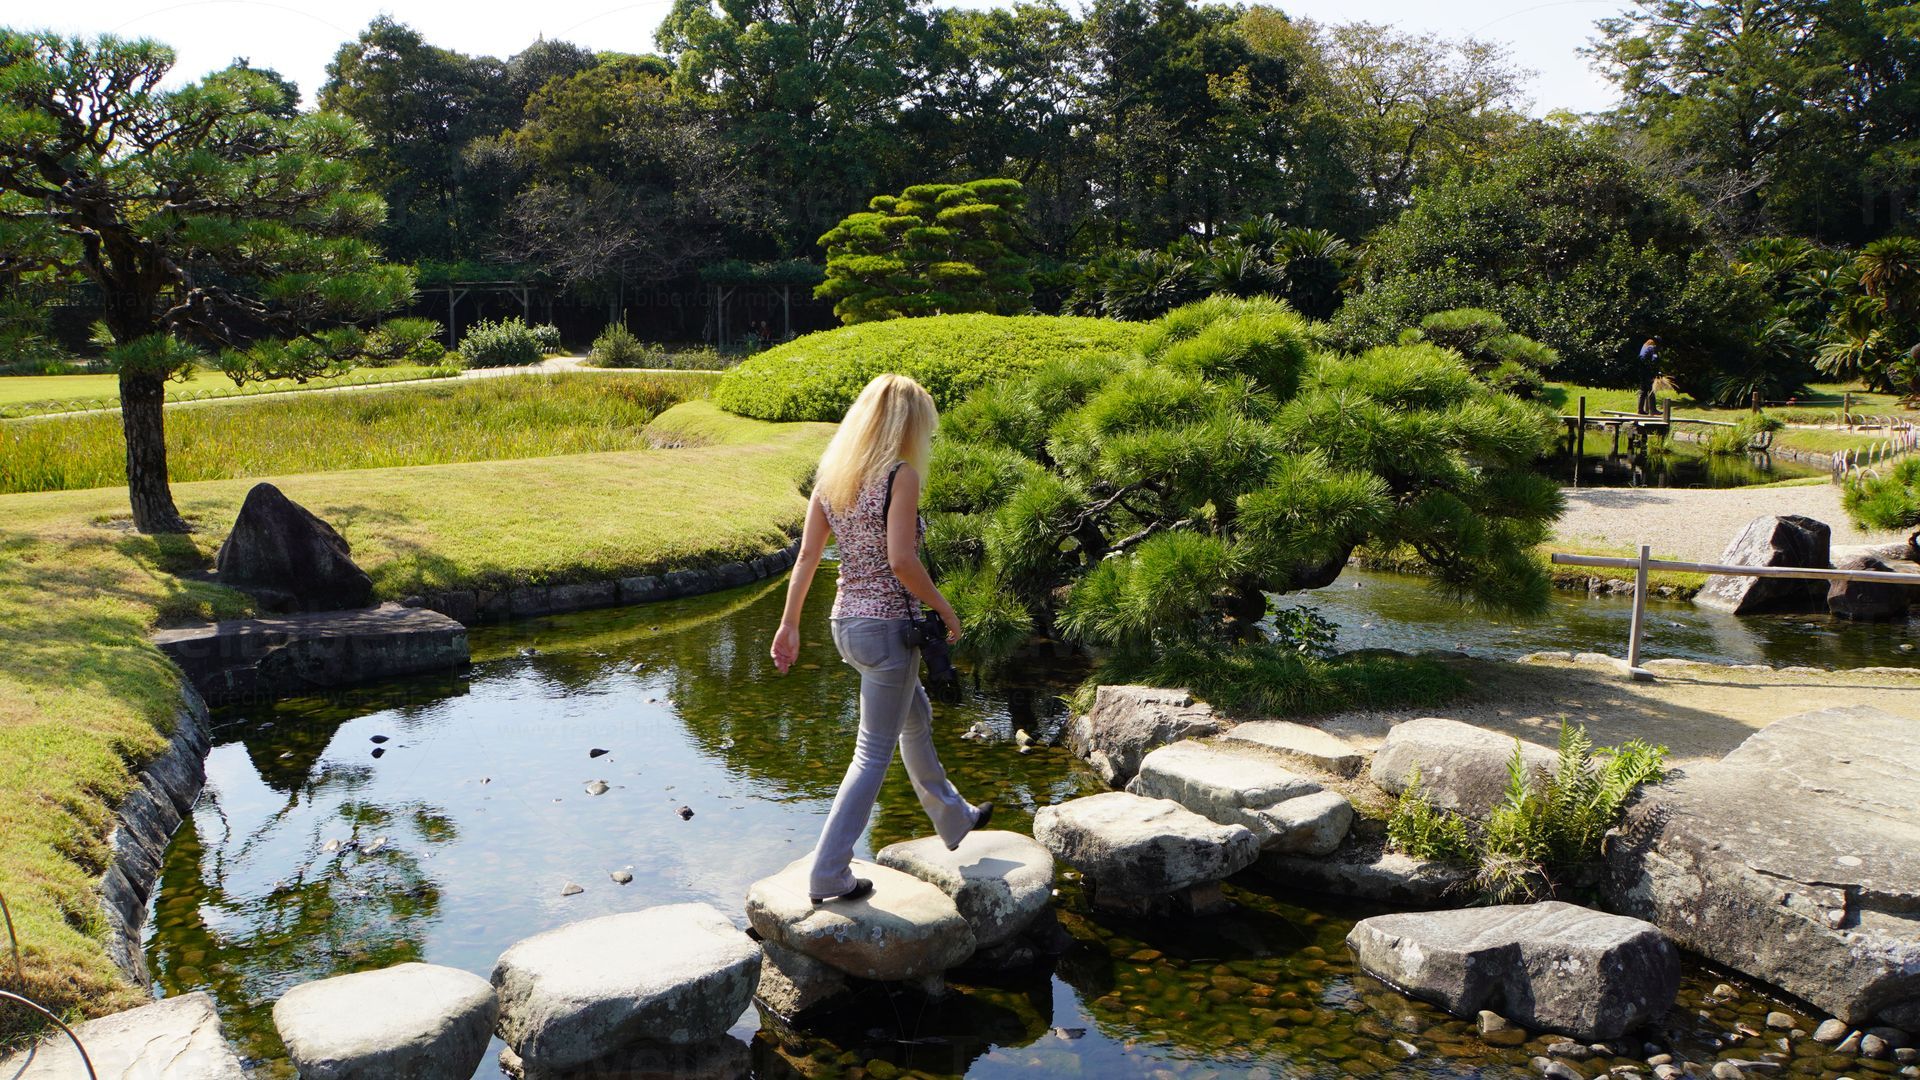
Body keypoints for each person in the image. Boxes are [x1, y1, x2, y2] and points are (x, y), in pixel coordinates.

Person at [770, 373, 992, 904]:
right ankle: (829, 871)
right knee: (871, 754)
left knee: (914, 715)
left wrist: (789, 624)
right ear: (906, 424)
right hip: (889, 629)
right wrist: (945, 607)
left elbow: (807, 558)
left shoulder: (834, 478)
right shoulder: (900, 475)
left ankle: (953, 816)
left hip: (846, 626)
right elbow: (901, 561)